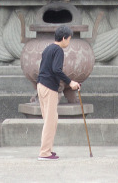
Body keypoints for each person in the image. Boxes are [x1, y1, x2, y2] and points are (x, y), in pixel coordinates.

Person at [36, 24, 81, 160]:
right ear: (63, 38)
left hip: (41, 85)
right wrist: (70, 82)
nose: (69, 42)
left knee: (51, 119)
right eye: (69, 39)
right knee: (50, 121)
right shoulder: (58, 50)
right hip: (49, 87)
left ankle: (48, 150)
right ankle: (44, 153)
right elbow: (56, 69)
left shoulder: (48, 49)